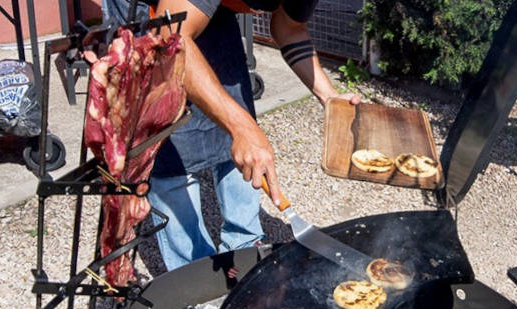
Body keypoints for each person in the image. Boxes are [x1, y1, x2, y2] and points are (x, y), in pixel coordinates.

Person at [101, 0, 359, 270]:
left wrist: (329, 97)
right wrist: (241, 128)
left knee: (237, 123)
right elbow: (170, 35)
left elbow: (289, 28)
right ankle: (192, 271)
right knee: (170, 148)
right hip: (155, 15)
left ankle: (245, 246)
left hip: (208, 15)